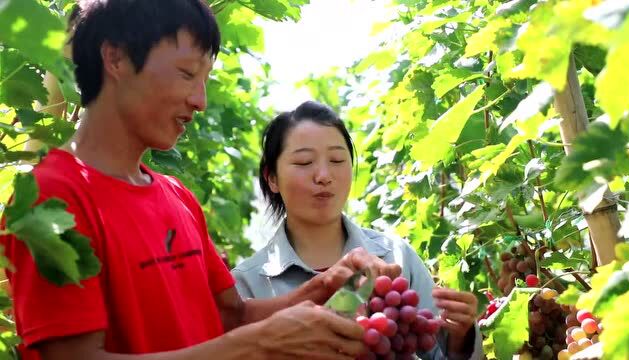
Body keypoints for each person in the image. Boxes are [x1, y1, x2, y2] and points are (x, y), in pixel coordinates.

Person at [0, 1, 401, 360]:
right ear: (116, 58)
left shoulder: (176, 197)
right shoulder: (49, 201)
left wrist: (326, 284)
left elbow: (231, 316)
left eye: (205, 79)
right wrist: (260, 344)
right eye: (187, 74)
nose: (200, 100)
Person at [232, 101, 484, 359]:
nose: (323, 175)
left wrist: (461, 339)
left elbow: (434, 349)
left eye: (337, 159)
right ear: (271, 178)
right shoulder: (246, 284)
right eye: (305, 162)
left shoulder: (396, 257)